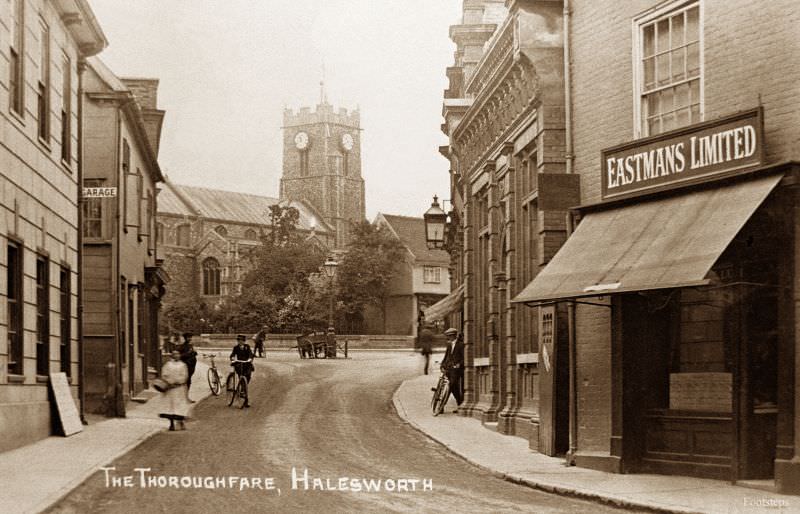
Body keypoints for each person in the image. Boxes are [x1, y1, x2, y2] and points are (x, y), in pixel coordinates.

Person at [159, 351, 191, 431]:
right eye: (175, 354)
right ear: (172, 356)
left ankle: (181, 422)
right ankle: (171, 424)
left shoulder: (183, 365)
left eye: (178, 354)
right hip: (169, 389)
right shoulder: (167, 365)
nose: (177, 356)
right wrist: (169, 382)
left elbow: (184, 376)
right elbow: (164, 375)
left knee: (180, 406)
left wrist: (178, 381)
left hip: (179, 388)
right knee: (170, 406)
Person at [441, 327, 464, 412]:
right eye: (448, 336)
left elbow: (464, 357)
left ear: (454, 336)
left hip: (457, 370)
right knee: (453, 387)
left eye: (450, 336)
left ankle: (442, 406)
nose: (448, 338)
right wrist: (442, 365)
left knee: (450, 385)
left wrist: (459, 364)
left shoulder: (461, 345)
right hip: (449, 369)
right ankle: (460, 404)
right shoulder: (449, 345)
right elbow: (446, 356)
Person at [230, 334, 254, 407]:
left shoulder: (247, 347)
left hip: (247, 364)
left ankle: (243, 390)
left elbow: (250, 354)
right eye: (238, 340)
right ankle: (245, 397)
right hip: (239, 364)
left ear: (244, 341)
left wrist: (249, 359)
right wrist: (233, 358)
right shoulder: (236, 348)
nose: (240, 342)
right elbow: (232, 355)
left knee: (248, 377)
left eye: (241, 341)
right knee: (241, 378)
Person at [178, 332, 197, 403]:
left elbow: (194, 354)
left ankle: (186, 397)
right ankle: (184, 398)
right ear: (185, 338)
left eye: (190, 337)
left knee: (188, 381)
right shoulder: (182, 346)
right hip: (186, 366)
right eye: (188, 337)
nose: (190, 338)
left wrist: (194, 352)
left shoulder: (190, 345)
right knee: (186, 382)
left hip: (192, 366)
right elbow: (180, 356)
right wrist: (189, 353)